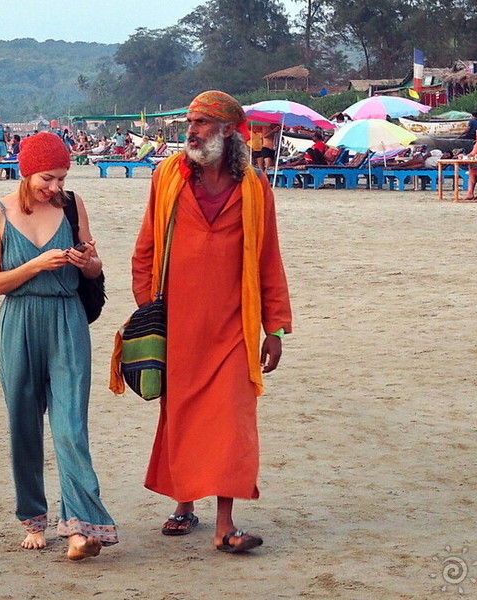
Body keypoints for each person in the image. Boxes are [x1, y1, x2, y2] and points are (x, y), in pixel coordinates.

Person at [116, 90, 292, 553]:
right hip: (178, 326)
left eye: (201, 123)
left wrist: (273, 327)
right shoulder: (168, 177)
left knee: (232, 423)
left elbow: (267, 259)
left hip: (235, 326)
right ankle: (183, 503)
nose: (190, 131)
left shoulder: (255, 186)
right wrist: (148, 310)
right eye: (189, 122)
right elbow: (145, 250)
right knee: (181, 417)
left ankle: (225, 526)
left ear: (229, 131)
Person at [0, 131, 117, 561]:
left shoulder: (73, 206)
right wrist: (37, 263)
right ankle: (33, 518)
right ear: (26, 171)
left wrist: (88, 263)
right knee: (23, 422)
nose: (55, 188)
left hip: (67, 319)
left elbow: (94, 268)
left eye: (61, 178)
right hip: (18, 321)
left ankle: (80, 527)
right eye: (48, 178)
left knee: (70, 425)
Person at [459, 128, 477, 200]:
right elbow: (472, 154)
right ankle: (470, 193)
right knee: (472, 172)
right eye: (476, 136)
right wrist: (465, 156)